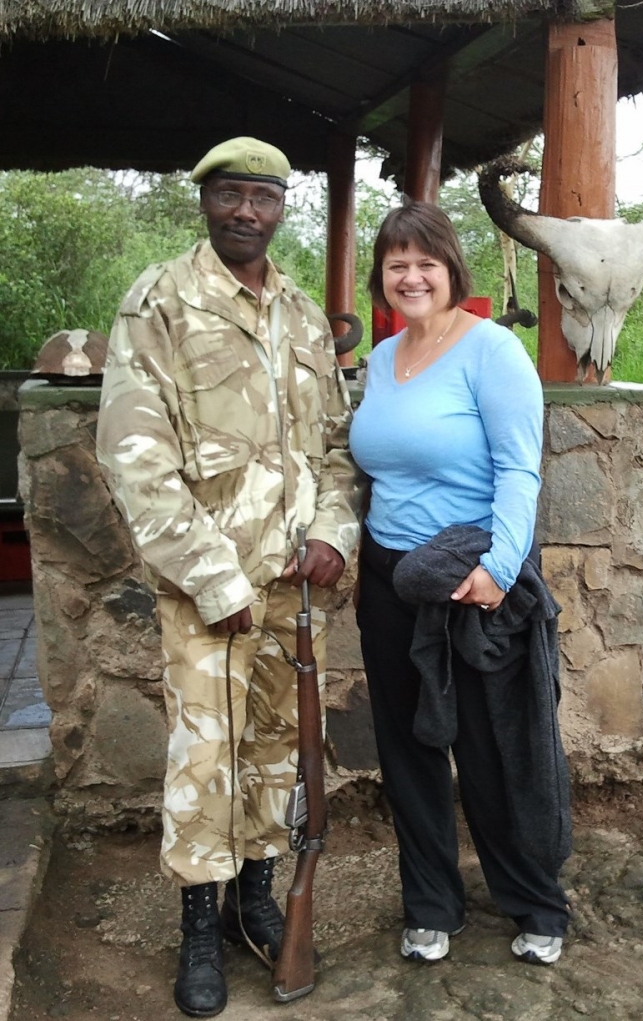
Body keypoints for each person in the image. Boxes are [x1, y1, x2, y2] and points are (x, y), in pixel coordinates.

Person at [96, 137, 364, 1018]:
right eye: (231, 195)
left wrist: (332, 532)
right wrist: (215, 577)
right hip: (213, 597)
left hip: (296, 592)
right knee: (204, 762)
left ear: (283, 208)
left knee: (278, 757)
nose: (247, 211)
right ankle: (199, 928)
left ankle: (259, 897)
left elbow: (333, 444)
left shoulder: (301, 313)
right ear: (204, 201)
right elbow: (136, 458)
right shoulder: (160, 301)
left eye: (264, 197)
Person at [349, 201, 572, 968]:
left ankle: (534, 899)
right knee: (408, 746)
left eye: (425, 263)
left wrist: (498, 573)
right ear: (381, 278)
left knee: (491, 745)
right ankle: (430, 904)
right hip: (389, 582)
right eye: (395, 264)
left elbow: (520, 468)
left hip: (472, 581)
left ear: (451, 271)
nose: (410, 276)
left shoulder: (493, 351)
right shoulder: (381, 359)